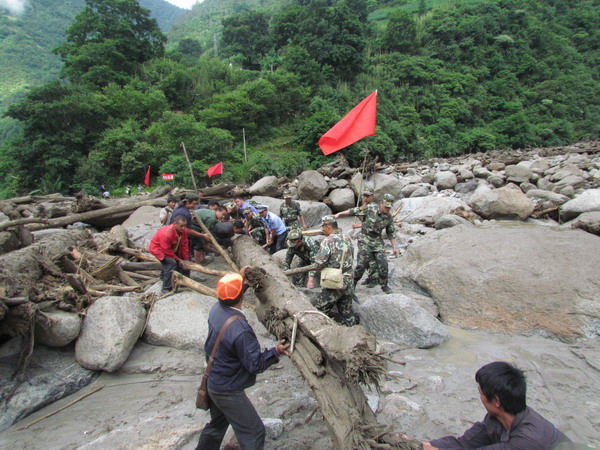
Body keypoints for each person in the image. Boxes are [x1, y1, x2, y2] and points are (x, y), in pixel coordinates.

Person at [196, 269, 290, 450]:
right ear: (241, 297)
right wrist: (275, 352)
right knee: (254, 432)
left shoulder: (216, 309)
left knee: (217, 424)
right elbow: (255, 364)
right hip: (228, 390)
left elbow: (232, 296)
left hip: (214, 381)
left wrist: (243, 281)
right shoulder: (241, 330)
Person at [423, 361, 572, 450]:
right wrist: (420, 445)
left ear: (496, 402)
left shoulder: (528, 439)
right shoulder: (497, 417)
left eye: (480, 392)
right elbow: (463, 444)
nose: (480, 397)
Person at [313, 215, 358, 326]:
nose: (322, 230)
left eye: (323, 227)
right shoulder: (346, 237)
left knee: (320, 309)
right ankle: (355, 333)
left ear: (328, 227)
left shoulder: (328, 241)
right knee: (346, 311)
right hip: (348, 278)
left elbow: (319, 262)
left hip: (334, 280)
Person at [353, 193, 398, 294]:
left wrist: (394, 247)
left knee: (383, 264)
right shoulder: (371, 208)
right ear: (381, 203)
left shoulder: (388, 217)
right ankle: (353, 283)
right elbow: (354, 211)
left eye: (389, 207)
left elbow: (391, 232)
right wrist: (338, 214)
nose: (387, 209)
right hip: (364, 239)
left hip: (377, 241)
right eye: (386, 206)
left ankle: (384, 285)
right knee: (361, 264)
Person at [335, 188, 379, 286]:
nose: (365, 198)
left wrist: (340, 214)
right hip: (366, 237)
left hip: (372, 238)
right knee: (368, 260)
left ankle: (356, 281)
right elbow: (362, 216)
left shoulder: (372, 207)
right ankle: (371, 278)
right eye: (364, 196)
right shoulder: (367, 206)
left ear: (372, 196)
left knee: (363, 261)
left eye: (368, 196)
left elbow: (354, 211)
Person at [148, 215, 191, 293]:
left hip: (172, 249)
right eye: (181, 226)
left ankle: (182, 282)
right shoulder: (166, 233)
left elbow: (185, 245)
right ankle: (166, 287)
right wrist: (178, 259)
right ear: (175, 224)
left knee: (184, 262)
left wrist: (185, 259)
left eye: (185, 225)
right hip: (158, 250)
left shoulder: (183, 231)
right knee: (171, 263)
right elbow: (166, 251)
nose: (183, 228)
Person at [169, 194, 210, 264]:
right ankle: (198, 262)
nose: (195, 206)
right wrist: (202, 235)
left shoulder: (178, 208)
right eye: (194, 204)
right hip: (177, 233)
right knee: (199, 240)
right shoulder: (185, 213)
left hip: (176, 231)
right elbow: (187, 230)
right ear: (187, 202)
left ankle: (192, 257)